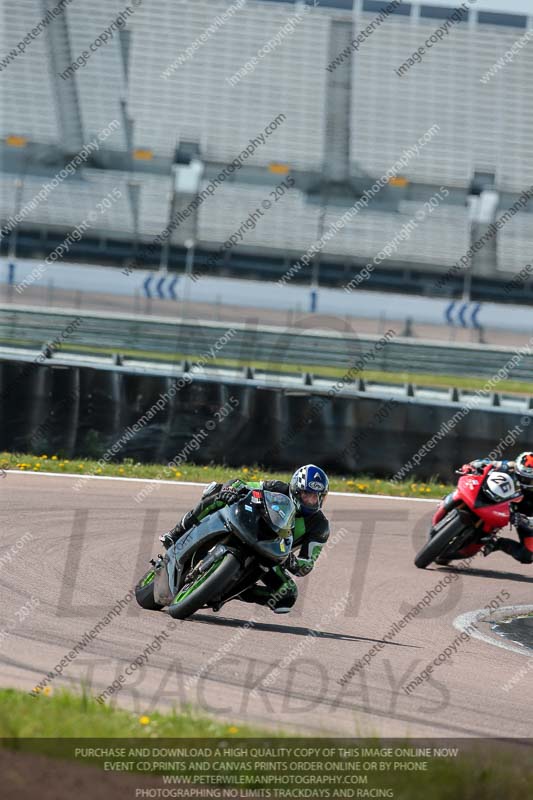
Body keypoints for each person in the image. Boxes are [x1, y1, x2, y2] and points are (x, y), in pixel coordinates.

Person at [160, 464, 330, 613]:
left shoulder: (320, 526)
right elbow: (244, 484)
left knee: (287, 595)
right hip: (249, 526)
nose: (310, 500)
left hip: (274, 555)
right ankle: (176, 532)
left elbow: (307, 563)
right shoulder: (277, 487)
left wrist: (292, 561)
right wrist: (230, 489)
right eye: (307, 494)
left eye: (316, 497)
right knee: (217, 491)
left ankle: (234, 592)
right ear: (296, 489)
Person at [460, 452, 533, 564]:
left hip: (525, 515)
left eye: (529, 480)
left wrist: (527, 521)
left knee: (527, 555)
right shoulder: (510, 465)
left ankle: (497, 543)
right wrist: (472, 466)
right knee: (470, 484)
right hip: (501, 497)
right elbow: (485, 463)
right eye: (522, 477)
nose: (524, 482)